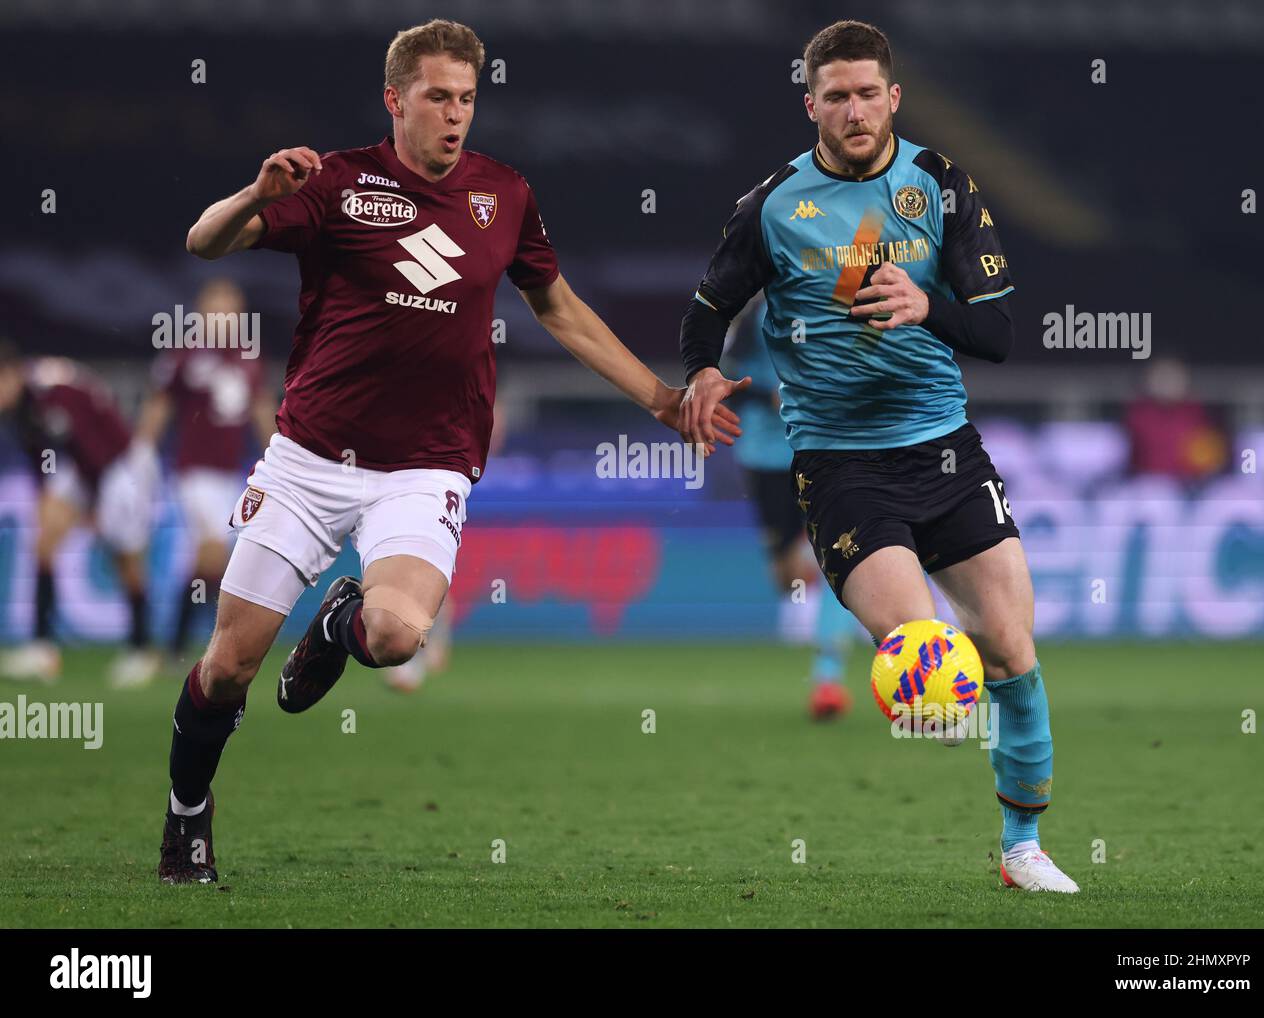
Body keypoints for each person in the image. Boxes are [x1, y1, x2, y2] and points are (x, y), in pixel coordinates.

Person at [158, 18, 739, 884]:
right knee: (228, 667)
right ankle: (187, 815)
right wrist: (253, 193)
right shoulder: (337, 183)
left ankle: (340, 623)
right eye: (437, 97)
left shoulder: (503, 194)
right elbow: (204, 242)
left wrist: (660, 397)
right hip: (311, 459)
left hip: (428, 463)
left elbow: (561, 309)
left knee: (393, 635)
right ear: (396, 99)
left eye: (467, 98)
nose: (455, 115)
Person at [676, 21, 1077, 892]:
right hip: (842, 465)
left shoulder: (940, 186)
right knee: (925, 664)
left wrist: (927, 304)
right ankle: (862, 680)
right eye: (836, 96)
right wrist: (702, 369)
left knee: (1010, 650)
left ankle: (1022, 849)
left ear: (894, 98)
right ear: (810, 102)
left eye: (868, 94)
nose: (853, 111)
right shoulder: (773, 206)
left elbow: (1001, 333)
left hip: (945, 453)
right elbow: (708, 307)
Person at [724, 301, 860, 719]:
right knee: (787, 580)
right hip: (766, 457)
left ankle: (827, 680)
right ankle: (805, 553)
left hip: (826, 451)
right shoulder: (752, 316)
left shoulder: (838, 303)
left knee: (842, 562)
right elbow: (726, 379)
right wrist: (774, 396)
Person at [0, 345, 162, 688]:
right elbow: (41, 459)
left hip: (120, 465)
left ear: (10, 373)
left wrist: (93, 508)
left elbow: (92, 437)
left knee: (126, 558)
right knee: (44, 541)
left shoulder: (51, 390)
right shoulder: (22, 406)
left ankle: (142, 648)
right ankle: (42, 648)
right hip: (82, 467)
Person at [135, 278, 279, 658]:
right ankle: (179, 647)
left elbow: (261, 410)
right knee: (212, 552)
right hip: (193, 472)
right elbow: (159, 404)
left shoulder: (249, 358)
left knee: (217, 561)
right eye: (217, 308)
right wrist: (140, 454)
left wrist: (279, 455)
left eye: (231, 309)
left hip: (233, 473)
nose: (224, 317)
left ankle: (189, 643)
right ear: (201, 313)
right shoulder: (183, 355)